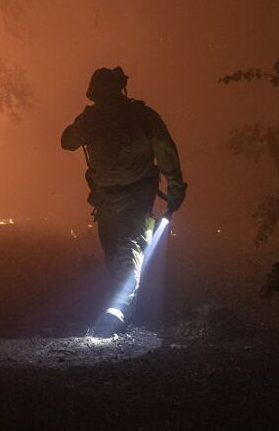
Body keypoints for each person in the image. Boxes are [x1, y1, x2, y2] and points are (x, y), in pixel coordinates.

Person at [61, 66, 186, 337]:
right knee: (114, 253)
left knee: (129, 250)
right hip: (105, 198)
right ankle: (121, 304)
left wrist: (176, 188)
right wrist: (86, 124)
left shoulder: (142, 117)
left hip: (135, 196)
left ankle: (117, 313)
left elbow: (166, 153)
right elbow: (67, 141)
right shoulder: (110, 118)